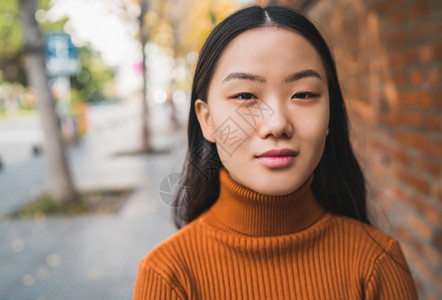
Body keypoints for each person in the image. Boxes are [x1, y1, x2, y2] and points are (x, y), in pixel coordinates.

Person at [134, 5, 418, 299]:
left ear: (330, 114)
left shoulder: (379, 264)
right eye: (245, 96)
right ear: (207, 120)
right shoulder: (168, 276)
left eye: (303, 94)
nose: (277, 124)